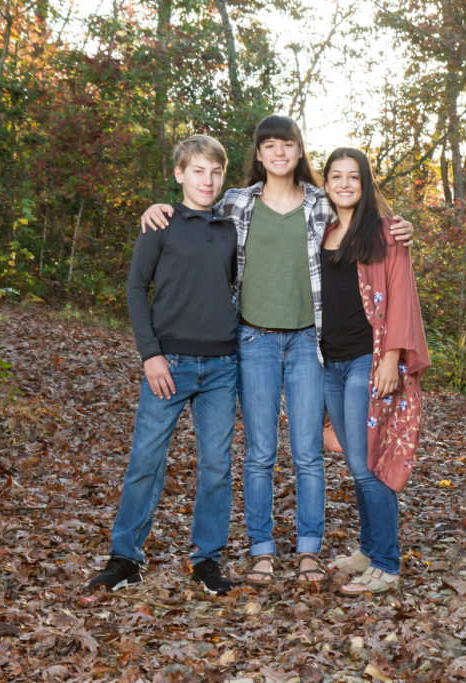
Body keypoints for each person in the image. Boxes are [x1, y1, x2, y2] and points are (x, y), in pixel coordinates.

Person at [140, 115, 413, 586]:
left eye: (287, 145)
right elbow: (191, 210)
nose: (279, 153)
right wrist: (154, 209)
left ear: (298, 152)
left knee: (308, 454)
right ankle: (261, 549)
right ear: (259, 155)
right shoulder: (235, 202)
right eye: (269, 145)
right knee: (260, 452)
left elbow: (362, 215)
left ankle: (309, 551)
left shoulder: (319, 203)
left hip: (310, 341)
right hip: (253, 341)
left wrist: (400, 227)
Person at [88, 134, 239, 595]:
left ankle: (206, 560)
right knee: (146, 461)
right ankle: (125, 558)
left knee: (216, 464)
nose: (207, 180)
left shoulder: (234, 227)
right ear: (179, 174)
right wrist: (150, 354)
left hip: (222, 366)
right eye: (198, 170)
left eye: (215, 172)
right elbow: (136, 290)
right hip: (168, 362)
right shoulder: (161, 224)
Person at [318, 148, 429, 595]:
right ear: (325, 183)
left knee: (369, 465)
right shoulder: (320, 233)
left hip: (369, 358)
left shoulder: (386, 234)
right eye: (335, 176)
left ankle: (386, 563)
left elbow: (401, 294)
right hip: (330, 362)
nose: (344, 184)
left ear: (365, 185)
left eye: (353, 177)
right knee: (355, 460)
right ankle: (367, 548)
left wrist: (390, 358)